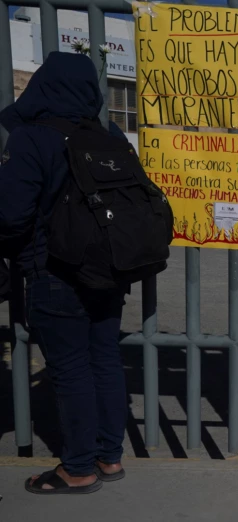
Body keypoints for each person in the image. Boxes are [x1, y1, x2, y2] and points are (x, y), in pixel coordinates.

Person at [0, 52, 130, 494]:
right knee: (105, 360)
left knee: (71, 368)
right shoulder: (110, 134)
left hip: (54, 270)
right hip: (111, 270)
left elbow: (10, 215)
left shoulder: (31, 138)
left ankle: (77, 469)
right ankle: (109, 458)